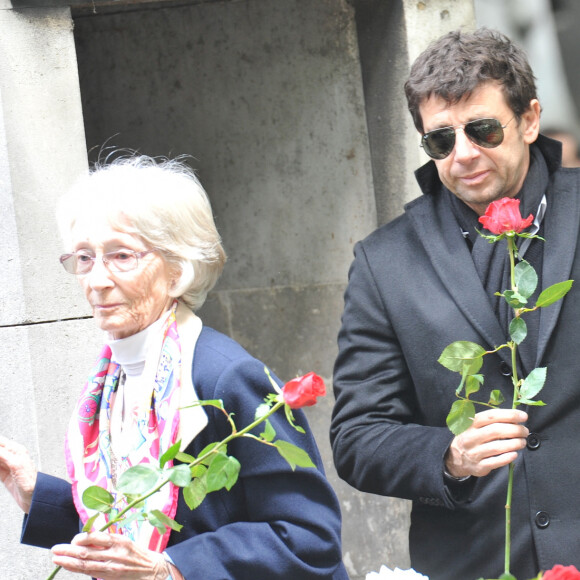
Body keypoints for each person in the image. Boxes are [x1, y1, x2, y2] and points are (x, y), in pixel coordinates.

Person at [0, 155, 349, 579]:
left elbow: (309, 537)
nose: (96, 280)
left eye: (121, 256)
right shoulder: (111, 378)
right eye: (85, 258)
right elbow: (136, 532)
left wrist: (170, 569)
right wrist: (36, 493)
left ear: (178, 269)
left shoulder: (224, 376)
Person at [330, 28, 580, 580]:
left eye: (483, 129)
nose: (463, 155)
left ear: (530, 119)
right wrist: (449, 456)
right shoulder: (382, 260)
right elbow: (356, 436)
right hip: (471, 563)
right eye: (440, 140)